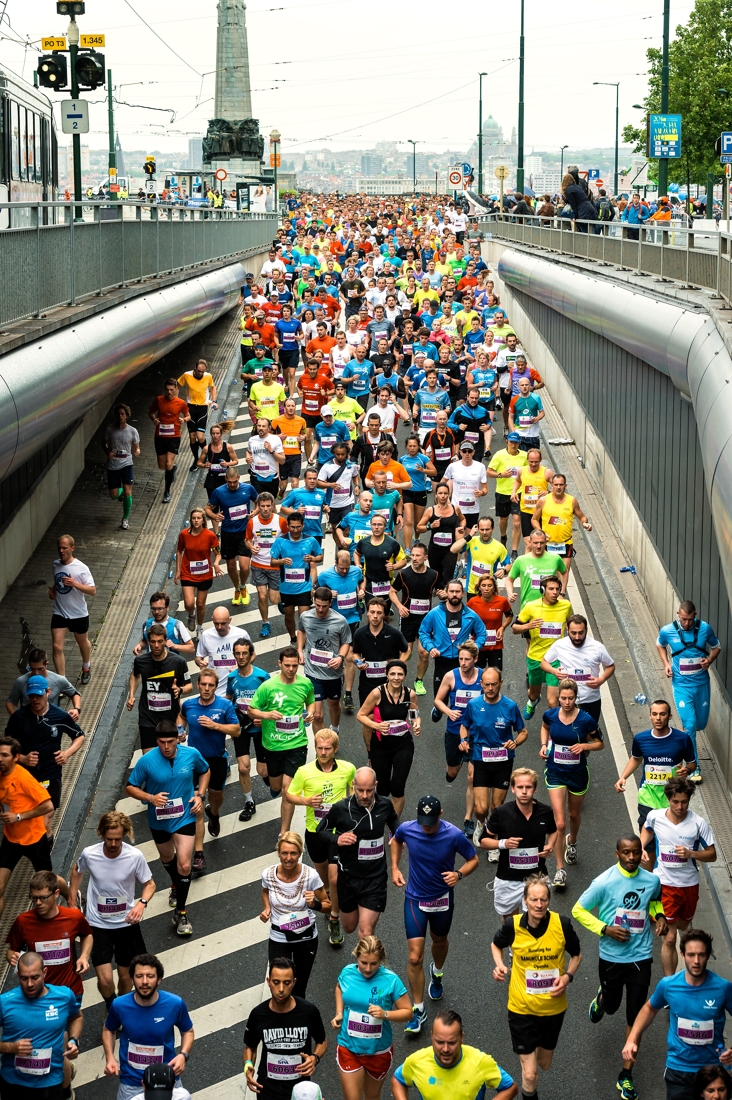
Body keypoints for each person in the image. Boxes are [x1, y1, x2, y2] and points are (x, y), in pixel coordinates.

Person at [572, 835, 668, 1100]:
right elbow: (579, 910)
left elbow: (655, 901)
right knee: (613, 1006)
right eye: (626, 853)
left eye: (636, 853)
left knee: (635, 1015)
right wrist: (605, 929)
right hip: (612, 958)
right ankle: (602, 999)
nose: (632, 858)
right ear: (617, 854)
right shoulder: (603, 882)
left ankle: (626, 1074)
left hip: (640, 957)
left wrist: (659, 917)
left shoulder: (651, 880)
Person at [391, 797, 479, 1034]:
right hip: (415, 899)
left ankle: (437, 973)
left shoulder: (453, 835)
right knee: (414, 957)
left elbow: (474, 860)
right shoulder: (408, 829)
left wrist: (458, 875)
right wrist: (395, 867)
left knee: (439, 940)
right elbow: (396, 841)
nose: (426, 827)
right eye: (423, 822)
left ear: (441, 813)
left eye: (431, 822)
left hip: (442, 899)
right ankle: (418, 1010)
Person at [491, 874, 581, 1100]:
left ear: (549, 901)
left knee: (544, 1064)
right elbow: (495, 944)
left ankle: (529, 1063)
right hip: (521, 1008)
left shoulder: (562, 924)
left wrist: (568, 977)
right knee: (530, 1075)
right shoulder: (512, 925)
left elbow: (577, 954)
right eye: (533, 900)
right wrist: (500, 965)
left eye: (543, 900)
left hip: (553, 1008)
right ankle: (528, 1083)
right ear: (525, 901)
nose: (538, 905)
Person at [126, 724, 211, 937]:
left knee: (184, 863)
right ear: (156, 741)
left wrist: (200, 795)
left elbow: (205, 771)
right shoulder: (146, 761)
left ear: (178, 739)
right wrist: (150, 798)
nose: (166, 747)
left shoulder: (191, 754)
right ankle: (175, 884)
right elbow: (130, 786)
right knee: (167, 858)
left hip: (184, 816)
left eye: (170, 742)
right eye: (162, 742)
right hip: (159, 820)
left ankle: (181, 912)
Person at [68, 810, 155, 1008]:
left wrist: (141, 904)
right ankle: (110, 1004)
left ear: (125, 834)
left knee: (126, 978)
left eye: (118, 839)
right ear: (101, 834)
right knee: (105, 980)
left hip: (126, 923)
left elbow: (149, 884)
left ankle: (120, 1006)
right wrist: (72, 900)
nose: (114, 844)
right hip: (97, 924)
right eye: (109, 839)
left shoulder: (134, 856)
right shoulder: (90, 854)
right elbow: (76, 870)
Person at [286, 730, 356, 948]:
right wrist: (306, 801)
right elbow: (289, 795)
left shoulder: (348, 768)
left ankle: (334, 918)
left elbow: (355, 791)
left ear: (335, 749)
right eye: (319, 748)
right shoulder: (304, 772)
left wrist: (349, 802)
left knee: (335, 878)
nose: (323, 752)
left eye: (327, 749)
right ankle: (328, 899)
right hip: (315, 831)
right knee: (324, 876)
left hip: (337, 832)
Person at [640, 777, 716, 975]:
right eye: (675, 802)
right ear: (668, 799)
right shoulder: (655, 816)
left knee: (683, 926)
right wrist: (641, 846)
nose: (680, 806)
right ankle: (670, 987)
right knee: (670, 937)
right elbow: (647, 829)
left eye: (684, 802)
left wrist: (692, 854)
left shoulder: (698, 823)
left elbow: (712, 854)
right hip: (664, 883)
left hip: (689, 884)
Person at [317, 768, 399, 938]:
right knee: (349, 926)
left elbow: (393, 820)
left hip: (375, 878)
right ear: (353, 785)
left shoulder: (385, 804)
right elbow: (321, 830)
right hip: (348, 877)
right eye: (360, 790)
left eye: (369, 790)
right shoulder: (341, 808)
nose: (364, 795)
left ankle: (366, 963)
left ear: (376, 786)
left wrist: (396, 835)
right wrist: (337, 839)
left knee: (366, 930)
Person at [539, 678, 604, 888]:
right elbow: (544, 728)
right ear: (559, 697)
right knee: (559, 822)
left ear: (576, 698)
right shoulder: (550, 715)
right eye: (563, 698)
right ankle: (559, 869)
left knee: (574, 814)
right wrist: (543, 746)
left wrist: (585, 746)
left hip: (577, 773)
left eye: (570, 698)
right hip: (556, 771)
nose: (566, 702)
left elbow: (599, 744)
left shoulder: (586, 720)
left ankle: (572, 841)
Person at [103, 953, 194, 1100]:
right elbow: (109, 1029)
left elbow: (187, 1031)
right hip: (131, 1083)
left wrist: (183, 1055)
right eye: (139, 976)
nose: (144, 981)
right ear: (132, 979)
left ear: (159, 980)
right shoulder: (119, 1005)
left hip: (167, 1081)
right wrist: (110, 1057)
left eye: (150, 976)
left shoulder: (175, 1004)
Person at [6, 675, 85, 841]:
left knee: (44, 820)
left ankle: (44, 854)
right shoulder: (18, 718)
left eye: (38, 695)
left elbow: (79, 736)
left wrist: (66, 753)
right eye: (31, 695)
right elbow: (5, 748)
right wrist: (23, 759)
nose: (34, 699)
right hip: (25, 777)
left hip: (50, 775)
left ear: (48, 692)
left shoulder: (60, 716)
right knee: (27, 820)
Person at [331, 936, 412, 1100]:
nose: (368, 969)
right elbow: (339, 988)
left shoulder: (391, 980)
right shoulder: (347, 973)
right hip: (349, 1047)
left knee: (372, 1096)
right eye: (363, 963)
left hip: (378, 1051)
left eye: (374, 964)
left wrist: (385, 1014)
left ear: (381, 960)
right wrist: (339, 1013)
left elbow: (408, 1012)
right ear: (356, 957)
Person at [248, 647, 316, 837]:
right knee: (276, 786)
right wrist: (266, 714)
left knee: (288, 790)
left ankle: (283, 832)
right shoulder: (268, 687)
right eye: (287, 665)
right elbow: (251, 710)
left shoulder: (305, 683)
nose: (291, 669)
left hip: (297, 744)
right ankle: (273, 785)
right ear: (279, 664)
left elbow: (310, 701)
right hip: (272, 744)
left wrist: (310, 712)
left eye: (295, 665)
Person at [5, 870, 92, 1014]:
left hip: (70, 990)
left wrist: (84, 956)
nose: (38, 903)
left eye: (43, 898)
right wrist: (15, 960)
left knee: (70, 1028)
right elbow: (11, 951)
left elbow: (87, 934)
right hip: (38, 994)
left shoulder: (74, 917)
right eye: (34, 898)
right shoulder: (23, 921)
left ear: (56, 893)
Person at [180, 669, 239, 874]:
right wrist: (180, 732)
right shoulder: (189, 705)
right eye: (203, 684)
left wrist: (215, 725)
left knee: (216, 796)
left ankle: (213, 814)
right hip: (194, 762)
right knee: (195, 804)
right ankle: (198, 855)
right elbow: (181, 719)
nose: (206, 688)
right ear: (198, 685)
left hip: (217, 759)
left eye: (211, 685)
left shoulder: (224, 705)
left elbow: (236, 729)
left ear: (215, 687)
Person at [0, 950, 81, 1100]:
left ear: (44, 972)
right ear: (18, 975)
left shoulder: (63, 996)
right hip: (14, 1083)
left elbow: (76, 1017)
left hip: (51, 1082)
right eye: (24, 978)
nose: (29, 984)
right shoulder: (4, 1002)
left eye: (35, 977)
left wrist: (73, 1040)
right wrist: (11, 1047)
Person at [460, 667, 528, 848]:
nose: (490, 688)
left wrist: (515, 742)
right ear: (481, 684)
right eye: (487, 684)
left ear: (501, 684)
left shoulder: (510, 706)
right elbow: (464, 726)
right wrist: (463, 739)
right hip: (481, 759)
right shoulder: (473, 705)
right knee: (481, 809)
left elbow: (523, 732)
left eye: (494, 684)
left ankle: (493, 841)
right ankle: (482, 823)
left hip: (503, 761)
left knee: (496, 807)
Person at [243, 954, 327, 1098]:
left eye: (286, 983)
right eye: (276, 982)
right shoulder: (258, 1014)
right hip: (267, 1088)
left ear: (294, 982)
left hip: (300, 1091)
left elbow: (322, 1041)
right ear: (268, 981)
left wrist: (315, 1058)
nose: (281, 988)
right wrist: (248, 1065)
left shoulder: (308, 1011)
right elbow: (250, 1046)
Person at [478, 767, 557, 919]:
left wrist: (550, 845)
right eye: (520, 787)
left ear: (534, 789)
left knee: (536, 922)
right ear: (513, 789)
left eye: (528, 787)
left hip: (537, 878)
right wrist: (503, 843)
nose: (524, 791)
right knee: (510, 924)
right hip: (508, 878)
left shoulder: (545, 811)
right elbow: (483, 841)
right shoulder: (501, 812)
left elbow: (553, 831)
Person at [260, 832, 331, 998]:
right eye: (284, 853)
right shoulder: (268, 875)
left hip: (306, 938)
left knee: (298, 989)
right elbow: (264, 891)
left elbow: (330, 907)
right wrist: (266, 908)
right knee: (278, 988)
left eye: (293, 853)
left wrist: (315, 904)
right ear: (279, 853)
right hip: (279, 936)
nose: (288, 858)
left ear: (300, 853)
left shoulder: (311, 876)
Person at [657, 601, 721, 782]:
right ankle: (694, 768)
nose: (686, 623)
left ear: (696, 614)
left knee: (701, 723)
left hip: (701, 684)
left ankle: (689, 742)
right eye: (683, 619)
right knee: (690, 725)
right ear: (678, 614)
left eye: (690, 619)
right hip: (681, 686)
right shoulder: (667, 630)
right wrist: (666, 664)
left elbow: (717, 647)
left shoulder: (705, 628)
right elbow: (660, 644)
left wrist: (709, 660)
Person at [392, 1009, 517, 1100]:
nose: (445, 1049)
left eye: (451, 1043)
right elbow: (398, 1080)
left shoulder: (479, 1062)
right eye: (440, 1042)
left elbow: (510, 1087)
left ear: (461, 1038)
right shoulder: (417, 1061)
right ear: (431, 1036)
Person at [614, 699, 697, 836]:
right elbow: (636, 758)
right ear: (650, 715)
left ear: (669, 716)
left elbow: (692, 764)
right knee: (647, 843)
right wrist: (623, 777)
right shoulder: (641, 739)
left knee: (669, 838)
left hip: (673, 798)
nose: (658, 718)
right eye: (655, 714)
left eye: (662, 714)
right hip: (648, 796)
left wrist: (687, 770)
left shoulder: (682, 739)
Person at [356, 660, 420, 818]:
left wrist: (417, 724)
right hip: (381, 746)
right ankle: (380, 817)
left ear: (405, 676)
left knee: (398, 788)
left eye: (400, 674)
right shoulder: (377, 693)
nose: (396, 678)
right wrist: (376, 726)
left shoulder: (410, 694)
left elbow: (414, 715)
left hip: (403, 744)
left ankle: (394, 825)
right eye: (393, 674)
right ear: (387, 675)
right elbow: (361, 715)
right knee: (383, 788)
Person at [513, 575, 573, 720]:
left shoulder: (566, 606)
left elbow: (571, 625)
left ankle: (554, 733)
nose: (555, 592)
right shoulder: (531, 607)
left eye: (557, 589)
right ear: (542, 590)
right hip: (535, 658)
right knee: (533, 693)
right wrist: (528, 626)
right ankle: (533, 702)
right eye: (551, 589)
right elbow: (514, 628)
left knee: (553, 702)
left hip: (556, 659)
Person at [540, 613, 615, 726]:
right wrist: (554, 671)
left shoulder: (597, 647)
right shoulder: (559, 645)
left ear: (586, 630)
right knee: (567, 734)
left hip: (590, 699)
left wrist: (601, 680)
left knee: (589, 736)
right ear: (567, 630)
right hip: (567, 700)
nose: (577, 637)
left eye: (581, 633)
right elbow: (544, 663)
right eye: (573, 633)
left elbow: (611, 666)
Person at [419, 578, 487, 702]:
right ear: (446, 592)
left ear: (462, 593)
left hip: (461, 661)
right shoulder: (434, 613)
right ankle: (438, 710)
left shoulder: (471, 615)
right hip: (441, 660)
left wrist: (476, 646)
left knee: (461, 701)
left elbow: (482, 633)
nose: (454, 594)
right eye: (451, 591)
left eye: (457, 591)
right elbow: (423, 632)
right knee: (440, 701)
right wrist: (431, 647)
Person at [128, 624, 192, 753]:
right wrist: (131, 695)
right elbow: (135, 676)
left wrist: (180, 690)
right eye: (153, 642)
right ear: (148, 641)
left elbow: (189, 686)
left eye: (160, 641)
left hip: (171, 716)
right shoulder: (140, 661)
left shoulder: (178, 662)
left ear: (165, 641)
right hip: (148, 716)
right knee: (150, 758)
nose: (156, 645)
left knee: (170, 755)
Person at [297, 588, 352, 734]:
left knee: (333, 705)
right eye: (317, 605)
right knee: (316, 714)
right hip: (312, 671)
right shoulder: (305, 616)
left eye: (324, 606)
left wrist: (340, 658)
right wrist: (299, 650)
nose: (320, 609)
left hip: (333, 673)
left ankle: (335, 728)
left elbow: (346, 642)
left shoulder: (340, 621)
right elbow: (301, 630)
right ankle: (321, 743)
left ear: (330, 603)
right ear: (314, 602)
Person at [226, 638, 270, 821]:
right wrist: (230, 721)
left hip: (260, 729)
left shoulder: (262, 676)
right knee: (243, 768)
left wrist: (264, 718)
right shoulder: (232, 677)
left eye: (245, 653)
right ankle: (249, 801)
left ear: (251, 654)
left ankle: (271, 779)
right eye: (238, 653)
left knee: (263, 771)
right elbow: (229, 700)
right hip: (241, 729)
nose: (241, 656)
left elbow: (272, 702)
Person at [205, 465, 258, 606]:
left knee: (245, 567)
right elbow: (207, 509)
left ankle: (243, 586)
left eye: (235, 482)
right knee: (231, 566)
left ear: (239, 478)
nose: (232, 485)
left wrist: (255, 512)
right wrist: (215, 516)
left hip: (244, 532)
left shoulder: (248, 489)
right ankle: (236, 588)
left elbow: (258, 502)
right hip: (228, 533)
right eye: (229, 482)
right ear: (226, 480)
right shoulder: (219, 492)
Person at [388, 542, 438, 690]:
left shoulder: (433, 574)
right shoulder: (404, 574)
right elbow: (392, 592)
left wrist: (442, 594)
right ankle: (397, 679)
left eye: (418, 555)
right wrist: (399, 606)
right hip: (408, 618)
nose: (414, 558)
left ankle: (419, 680)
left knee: (423, 652)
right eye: (413, 555)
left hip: (425, 620)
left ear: (425, 557)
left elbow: (441, 591)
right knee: (405, 651)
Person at [531, 473, 592, 593]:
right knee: (548, 572)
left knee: (564, 570)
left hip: (565, 543)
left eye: (561, 485)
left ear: (565, 486)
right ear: (551, 485)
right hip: (548, 544)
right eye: (556, 485)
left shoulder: (572, 501)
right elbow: (534, 519)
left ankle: (561, 594)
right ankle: (545, 593)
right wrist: (541, 532)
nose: (558, 487)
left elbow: (582, 516)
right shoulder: (543, 501)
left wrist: (585, 523)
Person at [270, 513, 324, 644]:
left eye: (298, 527)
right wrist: (282, 561)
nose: (295, 530)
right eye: (292, 527)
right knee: (288, 616)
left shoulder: (310, 541)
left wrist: (312, 558)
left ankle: (302, 640)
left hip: (304, 587)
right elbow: (272, 562)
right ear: (288, 526)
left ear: (303, 525)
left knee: (303, 617)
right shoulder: (280, 541)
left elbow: (320, 557)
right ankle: (293, 638)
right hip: (286, 588)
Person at [49, 534, 96, 682]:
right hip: (60, 612)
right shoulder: (56, 564)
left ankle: (86, 666)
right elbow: (58, 583)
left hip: (78, 613)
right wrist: (53, 592)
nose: (61, 551)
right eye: (59, 548)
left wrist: (74, 583)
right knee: (57, 646)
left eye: (64, 548)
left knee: (83, 642)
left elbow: (92, 591)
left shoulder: (81, 568)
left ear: (72, 548)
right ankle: (62, 682)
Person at [352, 599, 409, 717]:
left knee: (388, 717)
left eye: (379, 613)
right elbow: (355, 653)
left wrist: (398, 665)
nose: (375, 616)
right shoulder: (360, 633)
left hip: (389, 683)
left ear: (384, 614)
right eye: (372, 612)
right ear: (367, 613)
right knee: (367, 717)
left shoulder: (393, 633)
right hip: (367, 683)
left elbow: (406, 650)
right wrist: (358, 662)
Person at [175, 508, 222, 634]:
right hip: (187, 573)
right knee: (189, 603)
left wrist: (216, 564)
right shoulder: (184, 534)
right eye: (194, 518)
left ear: (203, 520)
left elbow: (218, 553)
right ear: (191, 520)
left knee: (200, 604)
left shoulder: (210, 536)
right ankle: (191, 614)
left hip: (204, 575)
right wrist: (178, 570)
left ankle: (200, 628)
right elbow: (179, 551)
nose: (196, 521)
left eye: (198, 518)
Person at [416, 482, 465, 590]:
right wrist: (430, 526)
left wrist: (462, 527)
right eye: (440, 493)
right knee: (436, 575)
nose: (443, 496)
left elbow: (462, 519)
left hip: (450, 549)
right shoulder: (431, 510)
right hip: (435, 549)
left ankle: (446, 597)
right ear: (436, 495)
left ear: (449, 494)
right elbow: (419, 527)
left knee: (448, 574)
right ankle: (439, 590)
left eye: (445, 493)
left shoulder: (455, 508)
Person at [6, 649, 80, 719]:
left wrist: (76, 709)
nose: (36, 673)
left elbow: (74, 694)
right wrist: (15, 718)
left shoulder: (58, 680)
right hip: (28, 722)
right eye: (33, 669)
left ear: (46, 664)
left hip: (52, 721)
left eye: (40, 669)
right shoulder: (21, 681)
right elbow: (10, 701)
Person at [149, 378, 190, 503]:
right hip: (160, 436)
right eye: (167, 390)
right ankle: (173, 468)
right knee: (162, 466)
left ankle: (167, 492)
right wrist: (154, 419)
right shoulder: (159, 400)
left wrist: (184, 420)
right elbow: (151, 412)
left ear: (176, 389)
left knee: (168, 464)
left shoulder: (181, 403)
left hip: (174, 437)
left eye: (172, 390)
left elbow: (188, 416)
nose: (169, 392)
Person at [487, 434, 528, 557]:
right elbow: (489, 472)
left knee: (516, 522)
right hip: (502, 492)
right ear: (506, 442)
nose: (513, 445)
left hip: (518, 493)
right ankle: (503, 537)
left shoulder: (524, 456)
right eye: (511, 442)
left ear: (519, 443)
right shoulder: (499, 455)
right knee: (503, 519)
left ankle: (514, 551)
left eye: (516, 442)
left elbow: (529, 471)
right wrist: (501, 474)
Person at [195, 606, 250, 696]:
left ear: (230, 620)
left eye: (223, 623)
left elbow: (252, 655)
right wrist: (200, 662)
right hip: (216, 689)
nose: (219, 627)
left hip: (238, 686)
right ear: (212, 620)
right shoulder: (206, 636)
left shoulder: (241, 634)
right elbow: (198, 657)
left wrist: (239, 667)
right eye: (216, 623)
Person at [505, 530, 566, 611]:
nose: (538, 546)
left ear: (546, 542)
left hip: (551, 608)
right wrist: (510, 593)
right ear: (530, 542)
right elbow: (509, 579)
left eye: (541, 543)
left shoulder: (555, 559)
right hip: (528, 608)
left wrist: (562, 593)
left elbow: (564, 572)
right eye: (535, 543)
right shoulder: (521, 560)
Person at [354, 515, 406, 608]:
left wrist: (394, 566)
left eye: (379, 525)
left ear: (385, 527)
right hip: (369, 583)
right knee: (372, 612)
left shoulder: (392, 543)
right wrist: (357, 564)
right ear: (370, 525)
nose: (376, 527)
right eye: (374, 524)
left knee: (385, 615)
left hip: (386, 584)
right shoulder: (364, 542)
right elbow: (357, 553)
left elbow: (403, 561)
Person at [450, 516, 508, 597]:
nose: (484, 532)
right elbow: (453, 549)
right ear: (478, 529)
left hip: (489, 591)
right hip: (472, 590)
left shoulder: (499, 547)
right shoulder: (471, 541)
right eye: (482, 529)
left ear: (493, 529)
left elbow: (509, 565)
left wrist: (504, 571)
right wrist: (470, 535)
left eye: (487, 529)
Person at [104, 403, 141, 530]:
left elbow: (137, 447)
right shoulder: (110, 429)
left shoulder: (132, 431)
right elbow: (104, 443)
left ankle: (125, 518)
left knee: (128, 491)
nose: (120, 416)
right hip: (113, 464)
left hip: (127, 464)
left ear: (127, 416)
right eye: (118, 414)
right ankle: (120, 494)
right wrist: (107, 452)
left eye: (123, 414)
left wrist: (137, 452)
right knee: (113, 494)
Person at [177, 359, 217, 472]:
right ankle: (197, 459)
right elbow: (177, 385)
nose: (200, 374)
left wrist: (214, 401)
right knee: (192, 437)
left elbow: (213, 387)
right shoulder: (186, 375)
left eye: (202, 372)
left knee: (200, 437)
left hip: (202, 408)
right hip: (190, 407)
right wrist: (176, 401)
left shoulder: (208, 376)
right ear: (195, 368)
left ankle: (207, 453)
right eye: (198, 371)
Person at [467, 575, 513, 670]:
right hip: (478, 645)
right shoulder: (472, 602)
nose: (486, 588)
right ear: (479, 587)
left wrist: (503, 627)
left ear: (494, 587)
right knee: (477, 675)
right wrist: (469, 636)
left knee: (496, 674)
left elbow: (509, 615)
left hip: (496, 645)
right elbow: (465, 620)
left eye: (489, 585)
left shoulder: (502, 601)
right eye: (483, 585)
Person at [511, 450, 553, 549]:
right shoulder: (521, 471)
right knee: (529, 544)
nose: (533, 464)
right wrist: (514, 492)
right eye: (531, 461)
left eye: (536, 462)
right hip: (526, 511)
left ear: (541, 460)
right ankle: (529, 564)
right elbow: (517, 480)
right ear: (527, 460)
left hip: (542, 512)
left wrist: (548, 492)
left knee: (543, 542)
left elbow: (557, 487)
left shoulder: (547, 472)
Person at [133, 592, 194, 659]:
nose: (156, 612)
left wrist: (174, 646)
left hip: (171, 666)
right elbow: (145, 642)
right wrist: (140, 646)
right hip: (152, 666)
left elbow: (191, 648)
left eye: (160, 609)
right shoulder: (146, 624)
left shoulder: (177, 625)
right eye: (153, 609)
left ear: (167, 608)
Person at [443, 443, 487, 529]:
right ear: (460, 452)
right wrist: (446, 498)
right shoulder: (452, 466)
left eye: (469, 451)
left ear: (473, 452)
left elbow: (485, 488)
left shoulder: (480, 467)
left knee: (469, 537)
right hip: (456, 508)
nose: (467, 454)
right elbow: (442, 483)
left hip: (473, 508)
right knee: (458, 535)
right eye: (464, 451)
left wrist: (481, 492)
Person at [197, 422, 238, 510]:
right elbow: (199, 463)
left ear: (221, 434)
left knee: (226, 505)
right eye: (213, 433)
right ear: (211, 434)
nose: (215, 436)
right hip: (212, 479)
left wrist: (227, 464)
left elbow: (236, 461)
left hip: (224, 479)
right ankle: (215, 521)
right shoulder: (207, 448)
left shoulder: (228, 447)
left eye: (217, 433)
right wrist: (204, 465)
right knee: (213, 506)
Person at [247, 416, 287, 498]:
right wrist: (248, 458)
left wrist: (271, 450)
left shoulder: (275, 439)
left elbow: (282, 460)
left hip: (271, 477)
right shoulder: (252, 440)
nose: (261, 428)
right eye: (259, 426)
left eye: (263, 426)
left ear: (269, 428)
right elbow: (248, 451)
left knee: (271, 505)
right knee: (259, 503)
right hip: (256, 476)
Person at [272, 399, 307, 493]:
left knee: (295, 483)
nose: (291, 408)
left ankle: (294, 501)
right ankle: (282, 491)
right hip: (282, 455)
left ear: (295, 407)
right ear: (284, 407)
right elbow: (268, 436)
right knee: (283, 484)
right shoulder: (277, 421)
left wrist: (302, 438)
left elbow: (304, 434)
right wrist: (278, 437)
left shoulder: (301, 421)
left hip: (296, 455)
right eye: (288, 406)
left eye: (292, 406)